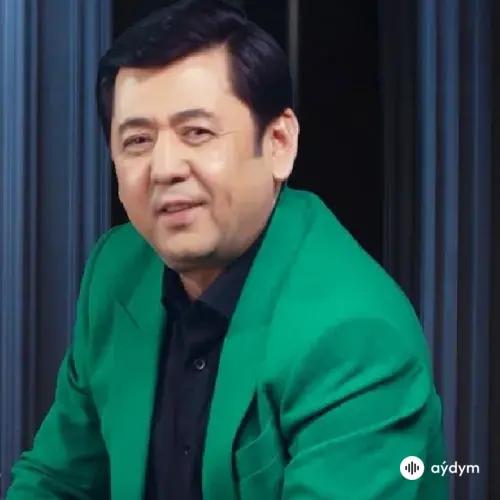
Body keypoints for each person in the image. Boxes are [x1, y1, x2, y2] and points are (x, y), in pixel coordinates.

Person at [6, 0, 448, 498]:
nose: (164, 168)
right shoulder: (117, 268)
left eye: (196, 133)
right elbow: (58, 479)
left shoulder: (354, 335)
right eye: (137, 141)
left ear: (279, 143)